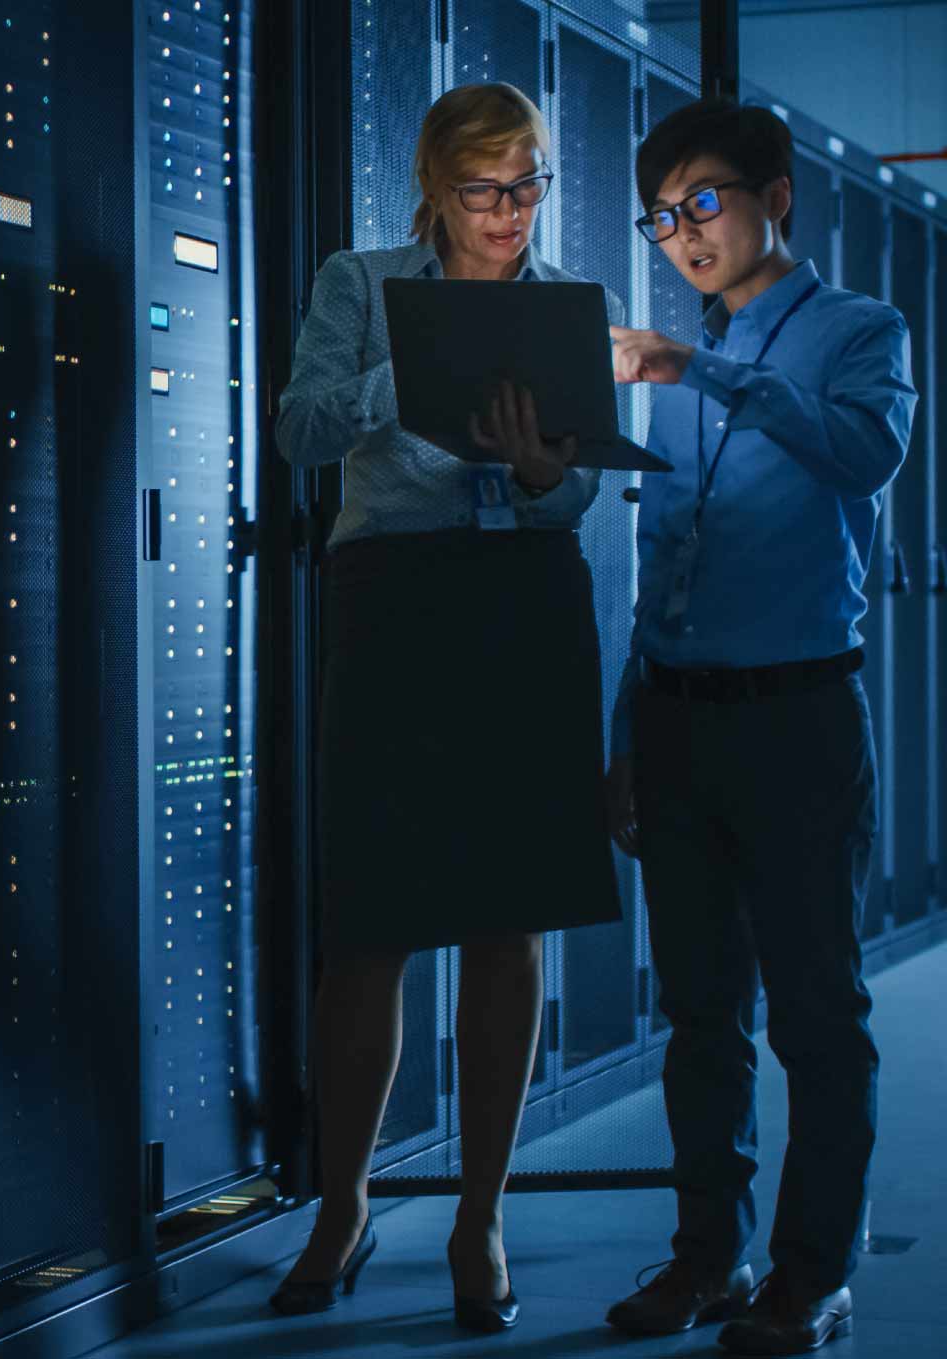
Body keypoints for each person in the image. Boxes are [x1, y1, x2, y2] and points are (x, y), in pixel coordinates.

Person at [269, 82, 624, 1333]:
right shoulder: (357, 281)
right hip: (393, 604)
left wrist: (539, 474)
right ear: (432, 188)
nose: (507, 215)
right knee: (367, 924)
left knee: (508, 921)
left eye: (526, 186)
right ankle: (343, 1202)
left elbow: (576, 499)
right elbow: (299, 431)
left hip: (522, 600)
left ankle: (481, 1215)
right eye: (483, 192)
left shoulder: (577, 307)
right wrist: (405, 376)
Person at [603, 99, 915, 1354]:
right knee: (698, 1015)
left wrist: (704, 370)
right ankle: (702, 1259)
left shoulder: (858, 329)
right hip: (677, 724)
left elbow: (863, 456)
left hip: (795, 721)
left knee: (815, 1017)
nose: (682, 234)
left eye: (705, 202)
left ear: (775, 195)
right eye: (664, 214)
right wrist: (627, 729)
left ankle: (810, 1273)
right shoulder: (668, 370)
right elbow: (661, 562)